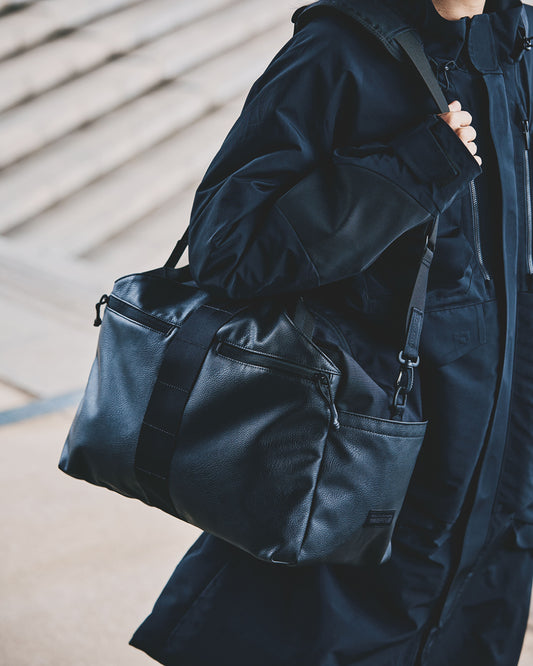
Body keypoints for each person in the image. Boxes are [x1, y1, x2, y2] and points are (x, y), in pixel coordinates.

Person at [129, 0, 533, 663]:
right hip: (356, 492)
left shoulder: (513, 46)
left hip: (488, 524)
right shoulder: (337, 52)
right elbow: (228, 251)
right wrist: (405, 174)